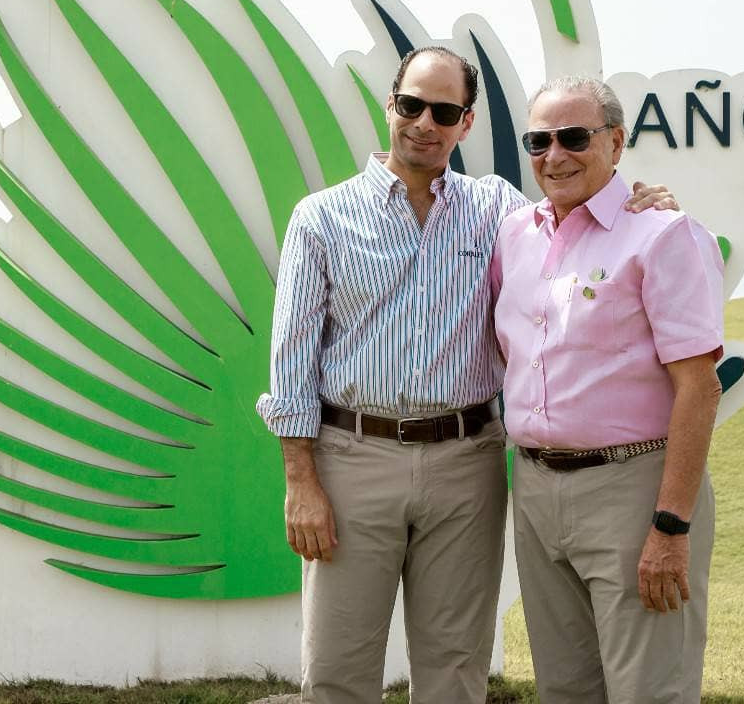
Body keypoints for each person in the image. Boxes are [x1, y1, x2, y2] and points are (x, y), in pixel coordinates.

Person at [257, 48, 673, 704]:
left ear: (466, 123)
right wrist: (301, 483)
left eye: (443, 111)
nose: (425, 121)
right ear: (389, 105)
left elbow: (578, 217)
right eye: (412, 104)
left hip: (465, 468)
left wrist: (640, 202)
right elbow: (291, 367)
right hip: (350, 462)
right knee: (337, 672)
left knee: (455, 672)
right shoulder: (321, 218)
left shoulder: (500, 211)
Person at [491, 75, 724, 704]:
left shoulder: (664, 235)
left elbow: (699, 388)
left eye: (573, 136)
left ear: (616, 142)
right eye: (539, 140)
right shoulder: (514, 235)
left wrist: (670, 527)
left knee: (650, 691)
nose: (554, 154)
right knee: (564, 691)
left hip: (633, 491)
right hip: (536, 490)